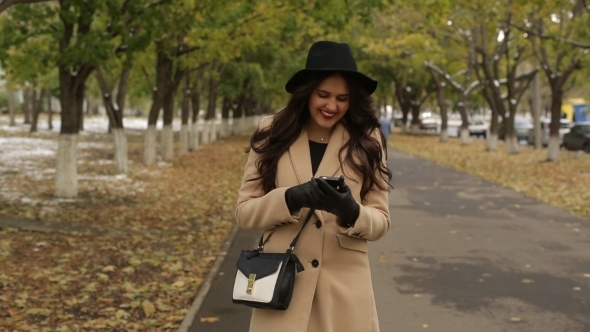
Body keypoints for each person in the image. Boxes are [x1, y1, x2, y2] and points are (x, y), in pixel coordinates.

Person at [235, 40, 393, 332]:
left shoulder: (368, 140)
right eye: (323, 95)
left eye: (342, 98)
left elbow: (381, 223)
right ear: (306, 93)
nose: (332, 106)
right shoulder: (272, 132)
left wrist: (351, 211)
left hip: (344, 295)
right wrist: (291, 198)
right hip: (282, 289)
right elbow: (244, 213)